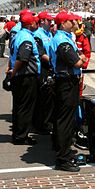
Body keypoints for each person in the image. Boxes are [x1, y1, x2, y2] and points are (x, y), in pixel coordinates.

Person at [50, 11, 87, 172]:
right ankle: (63, 159)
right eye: (71, 21)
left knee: (64, 119)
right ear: (63, 23)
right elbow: (78, 62)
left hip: (65, 81)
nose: (75, 24)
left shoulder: (64, 38)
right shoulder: (61, 40)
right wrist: (82, 58)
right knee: (65, 120)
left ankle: (63, 151)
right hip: (66, 83)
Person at [10, 13, 40, 145]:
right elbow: (23, 58)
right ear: (29, 24)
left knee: (18, 106)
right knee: (25, 107)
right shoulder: (26, 37)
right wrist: (13, 73)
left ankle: (18, 134)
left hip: (20, 76)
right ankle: (21, 136)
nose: (36, 25)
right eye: (35, 23)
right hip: (26, 76)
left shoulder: (19, 35)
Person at [33, 11, 54, 134]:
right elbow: (41, 54)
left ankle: (46, 122)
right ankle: (40, 125)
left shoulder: (49, 34)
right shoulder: (38, 35)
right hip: (42, 70)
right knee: (42, 98)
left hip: (49, 68)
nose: (51, 22)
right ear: (42, 21)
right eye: (48, 20)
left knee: (48, 98)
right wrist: (54, 62)